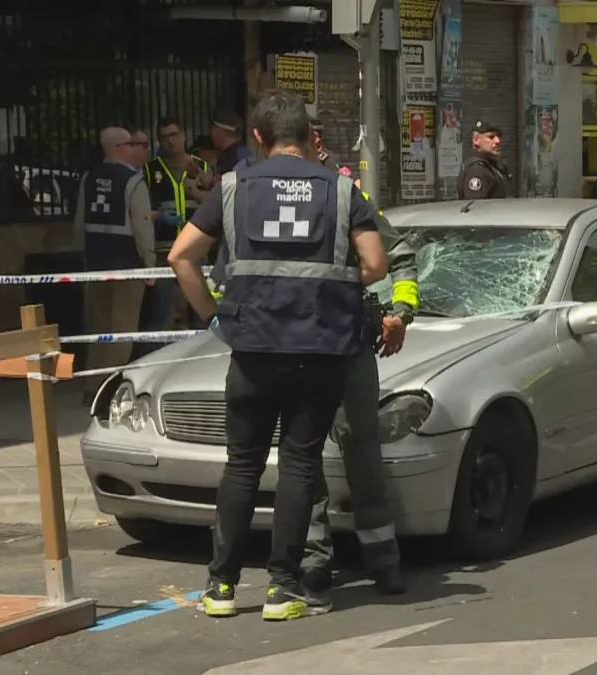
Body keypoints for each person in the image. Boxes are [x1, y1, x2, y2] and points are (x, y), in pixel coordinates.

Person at [166, 89, 389, 620]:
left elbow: (181, 257)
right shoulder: (340, 190)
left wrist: (214, 318)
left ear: (259, 139)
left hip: (252, 348)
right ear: (309, 139)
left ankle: (220, 588)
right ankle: (282, 588)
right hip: (319, 351)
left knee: (241, 466)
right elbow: (376, 265)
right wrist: (331, 287)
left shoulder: (232, 186)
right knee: (297, 464)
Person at [300, 161, 418, 600]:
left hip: (340, 342)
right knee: (304, 454)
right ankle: (317, 562)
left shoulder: (344, 194)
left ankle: (376, 561)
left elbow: (399, 258)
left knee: (356, 452)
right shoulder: (263, 193)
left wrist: (400, 315)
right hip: (304, 345)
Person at [75, 128, 156, 406]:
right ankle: (108, 388)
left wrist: (84, 258)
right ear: (122, 147)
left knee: (97, 327)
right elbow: (142, 228)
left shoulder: (88, 179)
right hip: (127, 266)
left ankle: (90, 385)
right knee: (122, 328)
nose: (136, 148)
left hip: (95, 265)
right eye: (132, 144)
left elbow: (79, 225)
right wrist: (149, 265)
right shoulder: (133, 181)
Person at [143, 117, 212, 331]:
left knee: (200, 311)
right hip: (165, 249)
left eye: (174, 135)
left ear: (184, 135)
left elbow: (213, 203)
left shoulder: (202, 167)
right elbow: (143, 211)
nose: (170, 141)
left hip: (197, 249)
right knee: (164, 313)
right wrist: (159, 216)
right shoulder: (150, 170)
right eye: (165, 137)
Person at [457, 120, 512, 200]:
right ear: (476, 140)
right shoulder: (476, 169)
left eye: (498, 136)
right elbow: (476, 207)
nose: (497, 141)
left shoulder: (493, 166)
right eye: (491, 137)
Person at [210, 108, 251, 175]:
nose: (211, 133)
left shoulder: (239, 158)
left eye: (213, 129)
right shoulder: (239, 155)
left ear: (220, 131)